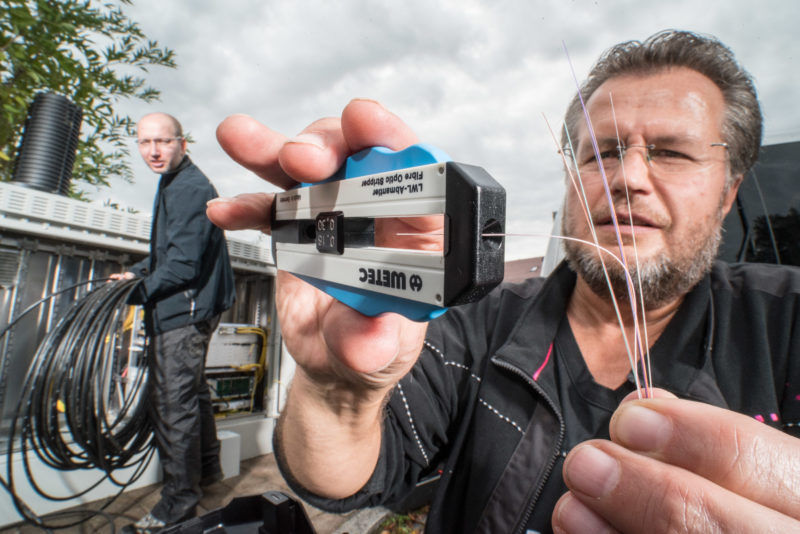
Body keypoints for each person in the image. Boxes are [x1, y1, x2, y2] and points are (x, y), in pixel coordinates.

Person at [207, 30, 800, 534]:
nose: (629, 179)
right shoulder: (472, 321)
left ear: (728, 192)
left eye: (670, 152)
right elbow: (344, 478)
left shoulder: (788, 323)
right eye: (601, 154)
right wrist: (337, 389)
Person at [114, 112, 236, 533]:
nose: (153, 151)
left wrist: (136, 293)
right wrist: (136, 271)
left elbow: (182, 266)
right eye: (145, 142)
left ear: (182, 142)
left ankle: (179, 503)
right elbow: (169, 254)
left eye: (162, 142)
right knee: (192, 392)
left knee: (173, 402)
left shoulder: (190, 188)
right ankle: (208, 470)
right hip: (195, 303)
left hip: (186, 309)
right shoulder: (174, 182)